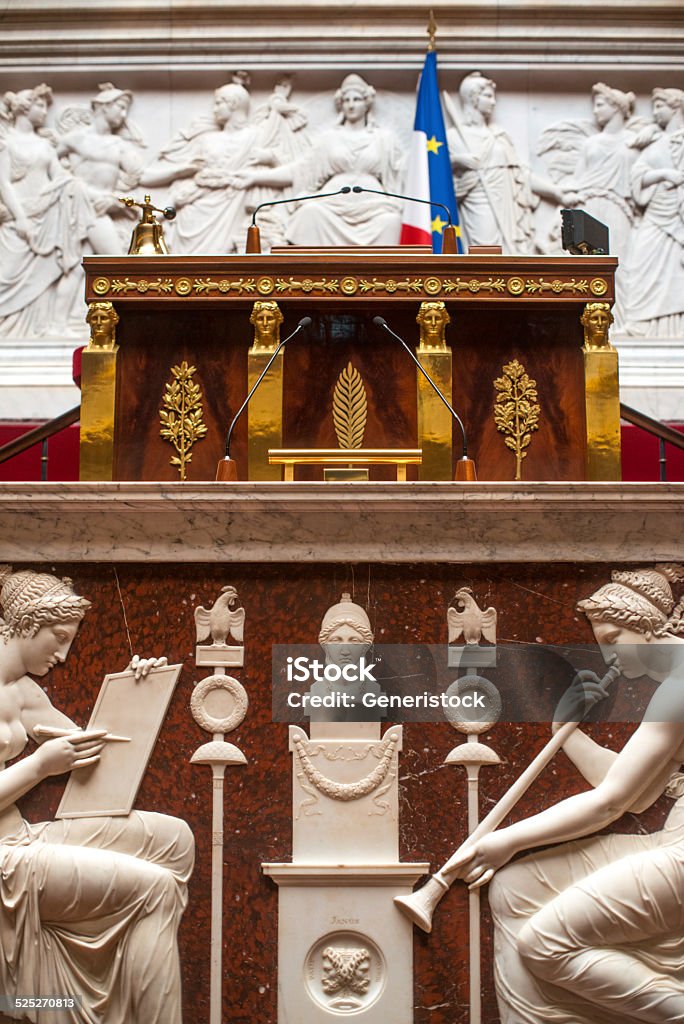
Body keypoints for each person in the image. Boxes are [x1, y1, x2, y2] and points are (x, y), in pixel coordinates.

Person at [447, 564, 684, 1023]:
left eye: (613, 638)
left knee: (546, 944)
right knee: (514, 888)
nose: (607, 652)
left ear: (647, 625)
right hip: (672, 840)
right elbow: (635, 793)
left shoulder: (681, 686)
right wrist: (566, 730)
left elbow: (611, 802)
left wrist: (507, 839)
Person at [0, 565, 194, 1023]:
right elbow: (51, 761)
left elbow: (94, 753)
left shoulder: (24, 693)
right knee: (157, 891)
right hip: (4, 861)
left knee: (176, 839)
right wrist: (39, 765)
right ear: (29, 624)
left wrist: (135, 688)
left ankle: (126, 985)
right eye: (60, 636)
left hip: (24, 837)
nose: (65, 655)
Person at [232, 73, 404, 246]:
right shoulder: (328, 139)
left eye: (357, 99)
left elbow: (401, 176)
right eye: (346, 100)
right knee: (309, 212)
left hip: (373, 207)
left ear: (367, 103)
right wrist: (255, 177)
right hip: (333, 203)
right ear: (341, 104)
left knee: (392, 220)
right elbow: (300, 171)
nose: (351, 105)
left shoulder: (384, 139)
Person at [0, 85, 96, 337]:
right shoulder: (5, 141)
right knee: (7, 275)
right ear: (23, 108)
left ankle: (48, 327)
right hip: (18, 219)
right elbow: (4, 183)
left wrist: (98, 193)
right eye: (39, 106)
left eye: (45, 106)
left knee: (59, 267)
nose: (44, 111)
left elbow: (61, 177)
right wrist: (20, 218)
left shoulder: (44, 144)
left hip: (49, 217)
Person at [142, 81, 270, 254]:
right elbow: (191, 172)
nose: (214, 109)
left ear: (232, 104)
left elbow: (285, 166)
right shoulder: (207, 139)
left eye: (218, 103)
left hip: (230, 205)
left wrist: (270, 158)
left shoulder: (254, 136)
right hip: (195, 206)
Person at [446, 72, 563, 254]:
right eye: (488, 96)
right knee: (484, 255)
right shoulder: (453, 137)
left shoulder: (499, 136)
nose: (493, 102)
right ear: (473, 98)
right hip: (479, 202)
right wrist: (458, 161)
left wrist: (556, 192)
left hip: (508, 206)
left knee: (509, 258)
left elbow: (520, 176)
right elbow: (436, 173)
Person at [623, 88, 684, 338]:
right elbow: (638, 175)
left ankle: (674, 328)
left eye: (660, 106)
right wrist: (663, 174)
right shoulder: (655, 143)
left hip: (677, 218)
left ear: (676, 107)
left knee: (675, 273)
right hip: (655, 214)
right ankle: (640, 324)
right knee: (640, 266)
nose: (655, 112)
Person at [57, 82, 145, 254]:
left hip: (103, 207)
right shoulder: (75, 139)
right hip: (86, 208)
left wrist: (184, 169)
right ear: (105, 106)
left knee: (78, 273)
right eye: (120, 107)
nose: (124, 114)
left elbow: (143, 176)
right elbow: (49, 167)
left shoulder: (119, 144)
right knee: (116, 263)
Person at [308, 593, 382, 723]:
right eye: (336, 640)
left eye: (354, 641)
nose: (345, 651)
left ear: (365, 646)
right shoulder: (317, 691)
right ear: (325, 646)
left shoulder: (373, 691)